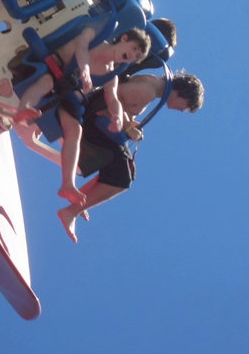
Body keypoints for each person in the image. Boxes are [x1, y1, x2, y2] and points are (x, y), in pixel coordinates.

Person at [56, 70, 204, 242]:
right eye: (185, 105)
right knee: (122, 177)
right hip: (90, 121)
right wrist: (127, 126)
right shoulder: (148, 91)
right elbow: (111, 96)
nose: (182, 110)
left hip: (96, 120)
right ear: (183, 93)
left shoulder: (154, 86)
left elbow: (123, 103)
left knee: (125, 170)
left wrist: (129, 123)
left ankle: (80, 202)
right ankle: (71, 211)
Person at [13, 28, 151, 208]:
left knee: (75, 130)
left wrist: (117, 116)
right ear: (123, 38)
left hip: (64, 93)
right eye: (133, 48)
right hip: (51, 67)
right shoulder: (96, 35)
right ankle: (24, 108)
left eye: (135, 56)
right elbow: (81, 47)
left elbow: (113, 98)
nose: (131, 54)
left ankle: (67, 184)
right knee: (45, 83)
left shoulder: (110, 74)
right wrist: (84, 68)